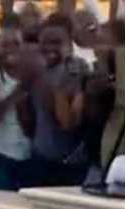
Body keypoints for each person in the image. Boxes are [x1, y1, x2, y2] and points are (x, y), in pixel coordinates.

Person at [27, 12, 90, 187]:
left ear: (70, 43)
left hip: (68, 165)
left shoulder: (78, 70)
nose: (49, 47)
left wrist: (57, 90)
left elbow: (69, 123)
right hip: (38, 158)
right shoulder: (36, 69)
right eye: (45, 41)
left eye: (56, 42)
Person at [0, 16, 38, 191]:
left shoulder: (33, 79)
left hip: (28, 159)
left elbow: (33, 127)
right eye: (5, 44)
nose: (11, 49)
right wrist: (15, 96)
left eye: (16, 44)